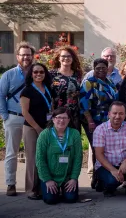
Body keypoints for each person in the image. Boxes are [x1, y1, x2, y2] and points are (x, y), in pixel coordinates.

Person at [0, 42, 35, 196]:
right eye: (23, 54)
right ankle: (10, 184)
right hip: (13, 117)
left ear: (32, 56)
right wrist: (5, 116)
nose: (26, 57)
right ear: (17, 56)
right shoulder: (9, 75)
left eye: (28, 54)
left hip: (31, 119)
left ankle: (32, 185)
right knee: (11, 153)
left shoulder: (37, 73)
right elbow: (1, 95)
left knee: (32, 153)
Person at [79, 58, 118, 188]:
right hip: (94, 121)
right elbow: (84, 104)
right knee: (97, 149)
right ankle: (96, 180)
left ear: (108, 69)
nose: (101, 70)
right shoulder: (89, 83)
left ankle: (103, 177)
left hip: (107, 121)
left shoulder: (110, 82)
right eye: (98, 68)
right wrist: (90, 121)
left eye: (103, 68)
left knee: (105, 149)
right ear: (94, 69)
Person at [35, 107, 82, 205]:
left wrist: (74, 178)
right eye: (58, 117)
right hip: (50, 176)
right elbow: (40, 159)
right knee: (50, 200)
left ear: (69, 120)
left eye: (65, 118)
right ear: (53, 119)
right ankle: (48, 189)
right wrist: (47, 180)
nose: (62, 120)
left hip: (68, 177)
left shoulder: (75, 134)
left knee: (71, 199)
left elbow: (78, 158)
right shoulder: (45, 134)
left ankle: (65, 192)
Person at [20, 63, 53, 200]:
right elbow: (25, 112)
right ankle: (31, 189)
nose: (38, 74)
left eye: (41, 72)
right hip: (31, 128)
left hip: (47, 127)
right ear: (31, 74)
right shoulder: (27, 91)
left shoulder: (48, 89)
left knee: (45, 157)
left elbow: (52, 107)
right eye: (35, 72)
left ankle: (42, 187)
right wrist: (37, 128)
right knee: (33, 158)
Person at [49, 46, 83, 132]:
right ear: (58, 58)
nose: (66, 58)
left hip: (74, 115)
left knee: (73, 141)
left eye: (69, 56)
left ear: (72, 58)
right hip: (57, 115)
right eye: (63, 56)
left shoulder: (77, 74)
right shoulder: (52, 74)